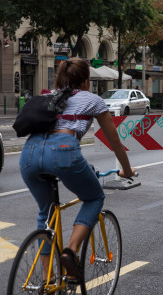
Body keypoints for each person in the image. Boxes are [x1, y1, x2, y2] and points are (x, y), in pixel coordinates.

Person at [19, 57, 135, 281]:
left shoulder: (47, 96)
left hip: (29, 154)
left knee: (46, 211)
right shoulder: (93, 100)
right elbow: (115, 143)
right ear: (85, 81)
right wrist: (127, 170)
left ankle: (47, 277)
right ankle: (70, 252)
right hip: (63, 152)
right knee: (94, 198)